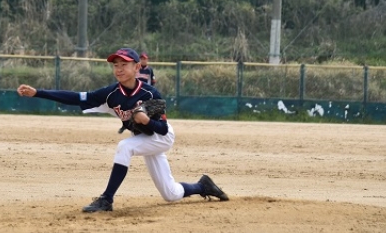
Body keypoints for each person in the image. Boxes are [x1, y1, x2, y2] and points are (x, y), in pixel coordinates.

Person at [16, 47, 229, 212]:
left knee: (124, 147)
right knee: (170, 194)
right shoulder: (110, 93)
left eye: (124, 64)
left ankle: (106, 199)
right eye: (115, 65)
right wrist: (38, 93)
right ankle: (203, 186)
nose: (118, 69)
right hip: (143, 139)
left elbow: (163, 129)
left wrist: (146, 121)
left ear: (137, 68)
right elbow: (77, 97)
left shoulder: (150, 94)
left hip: (160, 137)